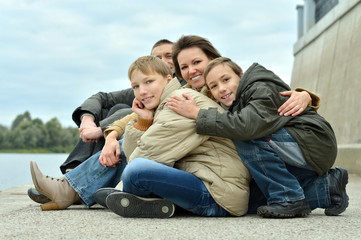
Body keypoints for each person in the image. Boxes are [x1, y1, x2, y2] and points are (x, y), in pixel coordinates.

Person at [167, 50, 349, 217]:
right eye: (214, 86)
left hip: (312, 141)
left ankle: (289, 199)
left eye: (226, 80)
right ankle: (328, 188)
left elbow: (246, 125)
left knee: (246, 136)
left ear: (241, 76)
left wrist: (197, 114)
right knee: (254, 200)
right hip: (295, 146)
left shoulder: (258, 87)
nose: (221, 88)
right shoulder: (232, 97)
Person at [27, 39, 184, 204]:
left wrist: (103, 129)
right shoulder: (145, 89)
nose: (163, 61)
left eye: (168, 56)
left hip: (164, 157)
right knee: (109, 110)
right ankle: (74, 177)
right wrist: (88, 120)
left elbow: (134, 118)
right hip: (147, 150)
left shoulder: (181, 92)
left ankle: (74, 187)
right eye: (157, 57)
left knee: (123, 113)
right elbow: (102, 97)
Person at [104, 55, 251, 218]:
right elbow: (137, 154)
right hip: (204, 182)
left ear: (168, 79)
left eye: (149, 82)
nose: (142, 91)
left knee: (136, 170)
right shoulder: (162, 105)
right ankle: (142, 199)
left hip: (217, 194)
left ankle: (131, 196)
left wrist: (123, 186)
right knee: (135, 170)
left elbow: (147, 153)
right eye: (136, 86)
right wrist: (143, 121)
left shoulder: (179, 100)